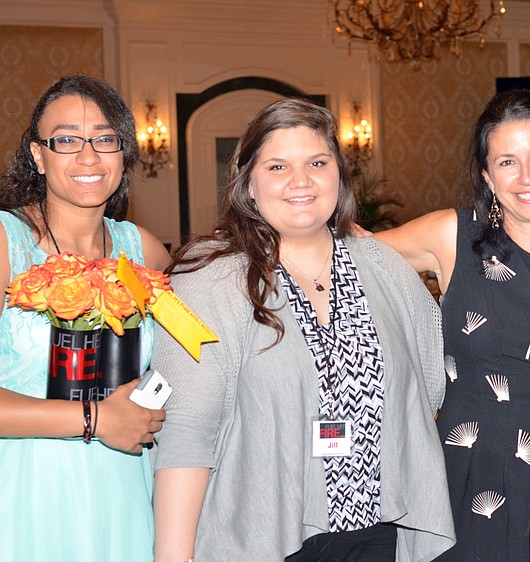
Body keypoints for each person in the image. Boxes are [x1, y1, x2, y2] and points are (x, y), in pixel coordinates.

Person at [151, 97, 454, 561]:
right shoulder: (209, 278)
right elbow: (186, 432)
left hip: (379, 536)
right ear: (248, 183)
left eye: (317, 162)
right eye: (277, 166)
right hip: (261, 538)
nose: (301, 181)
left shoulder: (385, 268)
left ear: (338, 174)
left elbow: (429, 387)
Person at [375, 89, 530, 561]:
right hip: (466, 474)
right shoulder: (451, 235)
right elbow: (341, 254)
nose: (526, 177)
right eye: (507, 162)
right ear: (487, 175)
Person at [0, 75, 171, 560]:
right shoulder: (6, 243)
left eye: (104, 139)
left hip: (128, 491)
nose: (89, 156)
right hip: (27, 495)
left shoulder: (144, 250)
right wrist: (94, 420)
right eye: (67, 139)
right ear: (39, 155)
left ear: (123, 152)